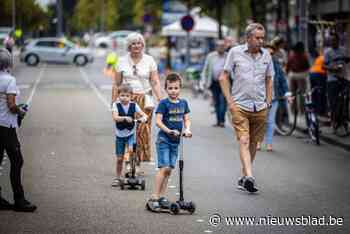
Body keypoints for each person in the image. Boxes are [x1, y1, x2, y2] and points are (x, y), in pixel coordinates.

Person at [219, 23, 274, 193]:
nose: (261, 41)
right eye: (257, 38)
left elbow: (269, 78)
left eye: (262, 38)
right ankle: (250, 176)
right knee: (244, 140)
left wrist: (269, 101)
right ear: (248, 38)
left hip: (260, 106)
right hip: (240, 106)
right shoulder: (235, 52)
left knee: (253, 142)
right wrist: (230, 102)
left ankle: (244, 177)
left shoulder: (267, 56)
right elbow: (224, 77)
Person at [112, 32, 162, 173]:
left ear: (142, 45)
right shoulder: (121, 61)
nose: (136, 46)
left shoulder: (149, 60)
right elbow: (116, 84)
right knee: (128, 131)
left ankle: (137, 162)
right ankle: (129, 160)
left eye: (139, 43)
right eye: (133, 43)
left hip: (144, 99)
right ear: (128, 46)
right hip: (126, 100)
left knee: (141, 132)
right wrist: (113, 103)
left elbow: (155, 81)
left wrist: (161, 98)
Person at [147, 73, 192, 210]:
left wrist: (188, 129)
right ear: (166, 89)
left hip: (176, 142)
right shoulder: (163, 103)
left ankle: (161, 196)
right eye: (170, 88)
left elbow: (186, 119)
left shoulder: (184, 103)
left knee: (169, 170)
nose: (173, 91)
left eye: (176, 88)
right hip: (164, 140)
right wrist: (169, 131)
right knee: (164, 167)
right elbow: (158, 122)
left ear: (180, 88)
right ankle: (154, 196)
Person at [0, 48, 37, 212]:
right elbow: (11, 105)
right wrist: (21, 111)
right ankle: (19, 200)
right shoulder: (9, 80)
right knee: (17, 161)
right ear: (8, 63)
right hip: (6, 126)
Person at [111, 84, 148, 187]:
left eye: (127, 96)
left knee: (132, 151)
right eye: (122, 95)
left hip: (131, 133)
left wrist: (144, 118)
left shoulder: (134, 105)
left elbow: (144, 114)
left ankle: (133, 172)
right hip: (120, 135)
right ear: (119, 96)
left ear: (131, 96)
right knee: (119, 158)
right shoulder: (116, 105)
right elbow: (115, 117)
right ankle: (118, 178)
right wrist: (124, 118)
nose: (124, 98)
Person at [257, 44, 290, 152]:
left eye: (271, 53)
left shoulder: (277, 66)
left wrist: (287, 95)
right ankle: (258, 141)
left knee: (270, 121)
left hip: (274, 98)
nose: (269, 55)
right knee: (261, 121)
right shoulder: (257, 65)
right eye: (267, 53)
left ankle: (269, 143)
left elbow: (283, 81)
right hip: (260, 98)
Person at [200, 40, 228, 127]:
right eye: (219, 46)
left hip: (225, 82)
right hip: (214, 82)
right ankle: (218, 121)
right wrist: (204, 80)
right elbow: (206, 69)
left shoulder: (228, 56)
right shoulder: (211, 56)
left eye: (222, 46)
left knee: (223, 101)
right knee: (216, 102)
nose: (221, 48)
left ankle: (222, 120)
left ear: (225, 47)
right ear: (216, 47)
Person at [324, 33, 349, 120]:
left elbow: (347, 60)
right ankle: (334, 120)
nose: (332, 42)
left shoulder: (344, 50)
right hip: (332, 79)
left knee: (346, 98)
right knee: (333, 101)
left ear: (338, 40)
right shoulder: (327, 52)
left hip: (343, 78)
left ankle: (344, 117)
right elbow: (324, 66)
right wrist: (332, 68)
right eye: (331, 40)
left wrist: (346, 59)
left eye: (334, 40)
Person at [286, 42, 310, 114]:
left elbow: (288, 66)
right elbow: (307, 67)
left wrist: (287, 73)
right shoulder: (303, 56)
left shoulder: (292, 55)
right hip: (301, 75)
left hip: (292, 75)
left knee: (292, 94)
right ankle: (302, 110)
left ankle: (293, 110)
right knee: (302, 94)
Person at [309, 52, 328, 117]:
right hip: (319, 74)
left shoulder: (319, 57)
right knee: (322, 93)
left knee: (314, 92)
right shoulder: (326, 58)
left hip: (311, 74)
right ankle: (321, 111)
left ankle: (314, 109)